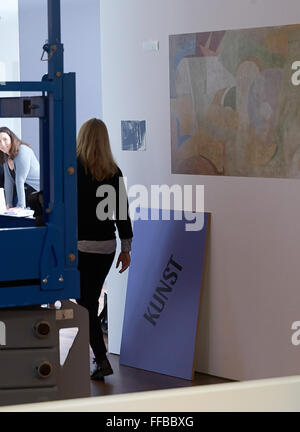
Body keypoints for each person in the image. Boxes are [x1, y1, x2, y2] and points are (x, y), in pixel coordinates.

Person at [76, 118, 133, 381]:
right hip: (106, 247)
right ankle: (97, 357)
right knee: (90, 301)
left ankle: (100, 358)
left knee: (85, 304)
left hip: (80, 246)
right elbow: (122, 212)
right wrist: (126, 248)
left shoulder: (73, 168)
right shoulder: (114, 171)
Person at [0, 127, 40, 209]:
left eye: (5, 139)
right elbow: (8, 182)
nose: (2, 144)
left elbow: (20, 180)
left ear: (11, 138)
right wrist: (8, 204)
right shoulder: (5, 156)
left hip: (37, 191)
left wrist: (21, 206)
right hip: (24, 191)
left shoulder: (22, 150)